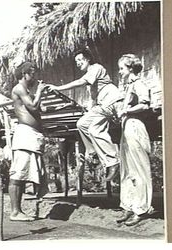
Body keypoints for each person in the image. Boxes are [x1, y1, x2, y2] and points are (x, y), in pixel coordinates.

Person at [47, 48, 123, 181]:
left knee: (95, 130)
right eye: (76, 61)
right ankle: (93, 154)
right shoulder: (91, 79)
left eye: (80, 60)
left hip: (111, 100)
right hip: (101, 105)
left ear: (88, 59)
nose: (78, 63)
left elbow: (81, 82)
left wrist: (58, 88)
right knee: (81, 124)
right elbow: (92, 101)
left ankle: (113, 161)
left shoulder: (96, 68)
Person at [116, 54, 154, 226]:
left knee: (139, 169)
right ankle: (128, 206)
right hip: (126, 128)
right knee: (127, 169)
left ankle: (141, 208)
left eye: (122, 68)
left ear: (130, 68)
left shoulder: (139, 84)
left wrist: (127, 111)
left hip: (135, 126)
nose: (119, 71)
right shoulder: (127, 87)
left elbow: (145, 104)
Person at [9, 62, 48, 221]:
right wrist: (39, 91)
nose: (34, 77)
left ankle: (18, 211)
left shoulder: (27, 92)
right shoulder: (19, 88)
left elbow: (41, 108)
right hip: (24, 135)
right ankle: (15, 212)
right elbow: (32, 107)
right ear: (24, 74)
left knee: (24, 173)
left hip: (32, 136)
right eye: (32, 74)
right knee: (18, 173)